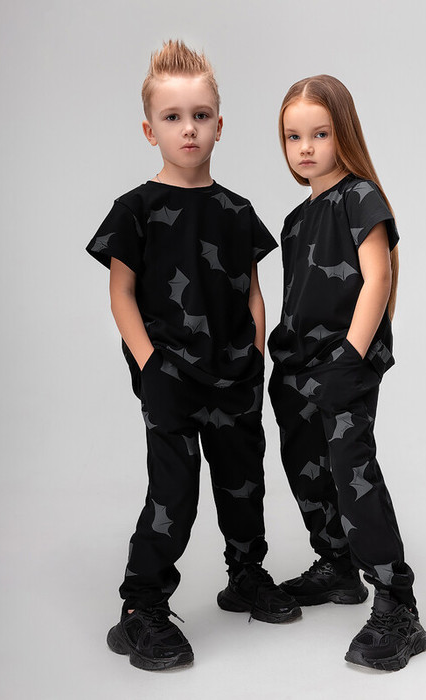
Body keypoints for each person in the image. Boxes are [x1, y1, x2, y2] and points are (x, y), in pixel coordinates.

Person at [86, 40, 300, 672]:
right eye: (174, 117)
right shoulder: (136, 209)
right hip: (170, 376)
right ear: (149, 129)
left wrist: (255, 354)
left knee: (244, 481)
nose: (189, 128)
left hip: (234, 374)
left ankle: (246, 576)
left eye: (201, 115)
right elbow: (120, 292)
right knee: (173, 491)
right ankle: (141, 606)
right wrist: (149, 363)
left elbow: (253, 292)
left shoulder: (237, 211)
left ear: (219, 125)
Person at [267, 74, 426, 671]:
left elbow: (377, 278)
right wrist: (284, 363)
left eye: (320, 133)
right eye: (293, 136)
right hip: (296, 368)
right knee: (304, 467)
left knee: (351, 471)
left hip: (345, 364)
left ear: (344, 134)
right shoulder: (294, 220)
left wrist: (351, 359)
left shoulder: (361, 198)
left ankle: (397, 603)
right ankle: (336, 566)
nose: (305, 147)